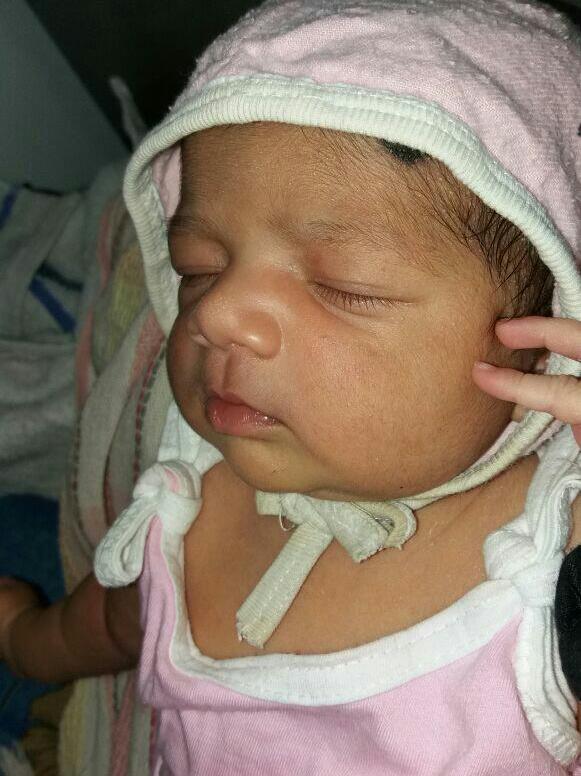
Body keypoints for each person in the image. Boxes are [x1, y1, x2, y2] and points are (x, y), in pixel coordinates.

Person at [1, 0, 581, 772]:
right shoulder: (193, 492)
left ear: (545, 345)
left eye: (344, 287)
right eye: (198, 268)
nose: (217, 314)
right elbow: (122, 619)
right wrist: (28, 643)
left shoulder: (552, 570)